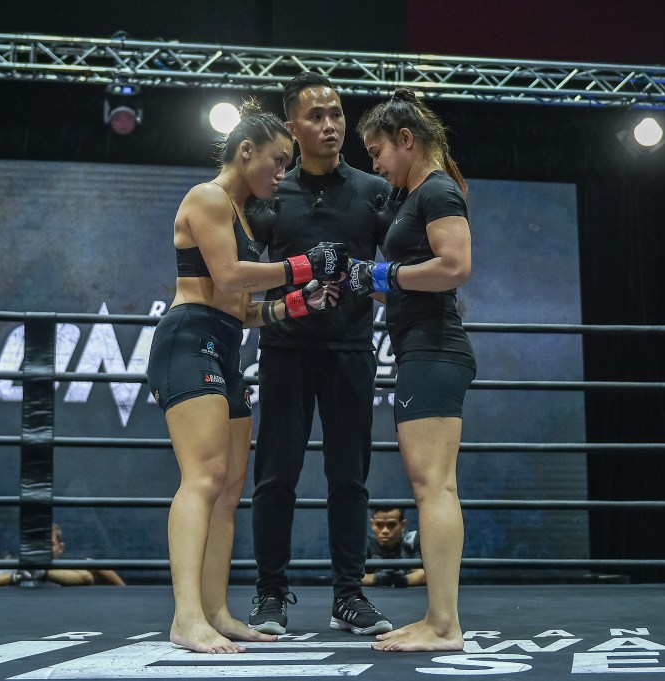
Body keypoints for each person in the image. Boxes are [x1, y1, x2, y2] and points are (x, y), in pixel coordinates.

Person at [145, 97, 348, 654]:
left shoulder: (236, 214)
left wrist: (300, 301)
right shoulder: (207, 197)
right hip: (189, 344)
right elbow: (232, 278)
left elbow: (246, 309)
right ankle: (186, 617)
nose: (282, 175)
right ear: (246, 150)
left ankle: (215, 610)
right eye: (278, 162)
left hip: (224, 344)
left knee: (231, 487)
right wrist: (305, 265)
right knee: (204, 478)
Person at [245, 71, 394, 639]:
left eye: (337, 114)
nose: (330, 125)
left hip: (352, 351)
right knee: (276, 476)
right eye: (316, 116)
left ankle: (350, 595)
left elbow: (398, 272)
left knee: (349, 478)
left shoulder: (374, 190)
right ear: (292, 126)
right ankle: (270, 593)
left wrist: (370, 280)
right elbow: (236, 271)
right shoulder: (269, 194)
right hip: (283, 349)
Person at [347, 88, 476, 652]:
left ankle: (443, 625)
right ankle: (438, 618)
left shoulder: (437, 190)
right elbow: (410, 283)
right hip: (422, 346)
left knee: (433, 486)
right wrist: (358, 283)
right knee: (430, 485)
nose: (374, 164)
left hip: (435, 350)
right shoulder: (417, 195)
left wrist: (381, 276)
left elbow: (454, 267)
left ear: (406, 140)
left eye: (377, 150)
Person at [0, 523, 99, 587]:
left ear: (60, 548)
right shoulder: (20, 565)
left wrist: (43, 573)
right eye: (38, 544)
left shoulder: (67, 567)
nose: (42, 549)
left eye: (49, 544)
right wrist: (16, 576)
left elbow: (86, 577)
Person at [362, 507, 426, 588]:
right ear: (372, 524)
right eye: (379, 525)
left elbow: (424, 574)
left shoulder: (412, 541)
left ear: (403, 525)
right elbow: (352, 575)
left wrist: (404, 580)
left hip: (408, 597)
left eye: (391, 525)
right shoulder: (365, 544)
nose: (385, 531)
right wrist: (375, 578)